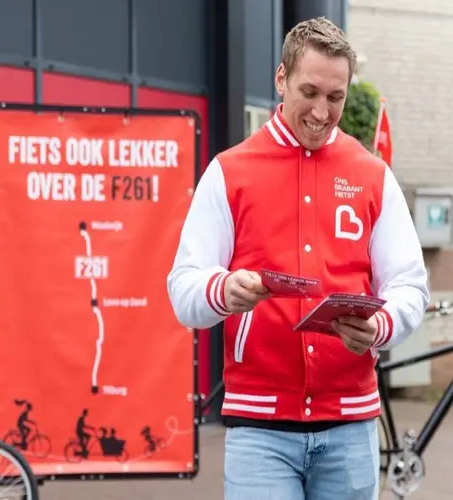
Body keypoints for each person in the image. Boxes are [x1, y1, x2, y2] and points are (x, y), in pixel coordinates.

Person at [167, 16, 428, 500]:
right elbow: (183, 290)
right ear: (280, 79)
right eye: (309, 91)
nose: (321, 111)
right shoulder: (229, 172)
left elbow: (410, 286)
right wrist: (223, 290)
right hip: (260, 431)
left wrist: (381, 327)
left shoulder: (373, 176)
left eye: (336, 98)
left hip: (351, 426)